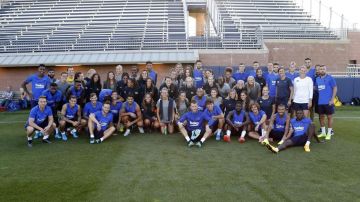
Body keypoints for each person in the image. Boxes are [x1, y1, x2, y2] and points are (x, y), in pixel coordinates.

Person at [316, 65, 337, 140]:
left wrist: (332, 99)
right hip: (320, 102)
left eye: (323, 69)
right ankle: (323, 133)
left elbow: (335, 88)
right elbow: (318, 89)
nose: (322, 70)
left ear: (325, 70)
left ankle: (329, 133)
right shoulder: (317, 79)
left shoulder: (330, 78)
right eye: (320, 69)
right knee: (321, 117)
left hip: (328, 102)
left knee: (329, 117)